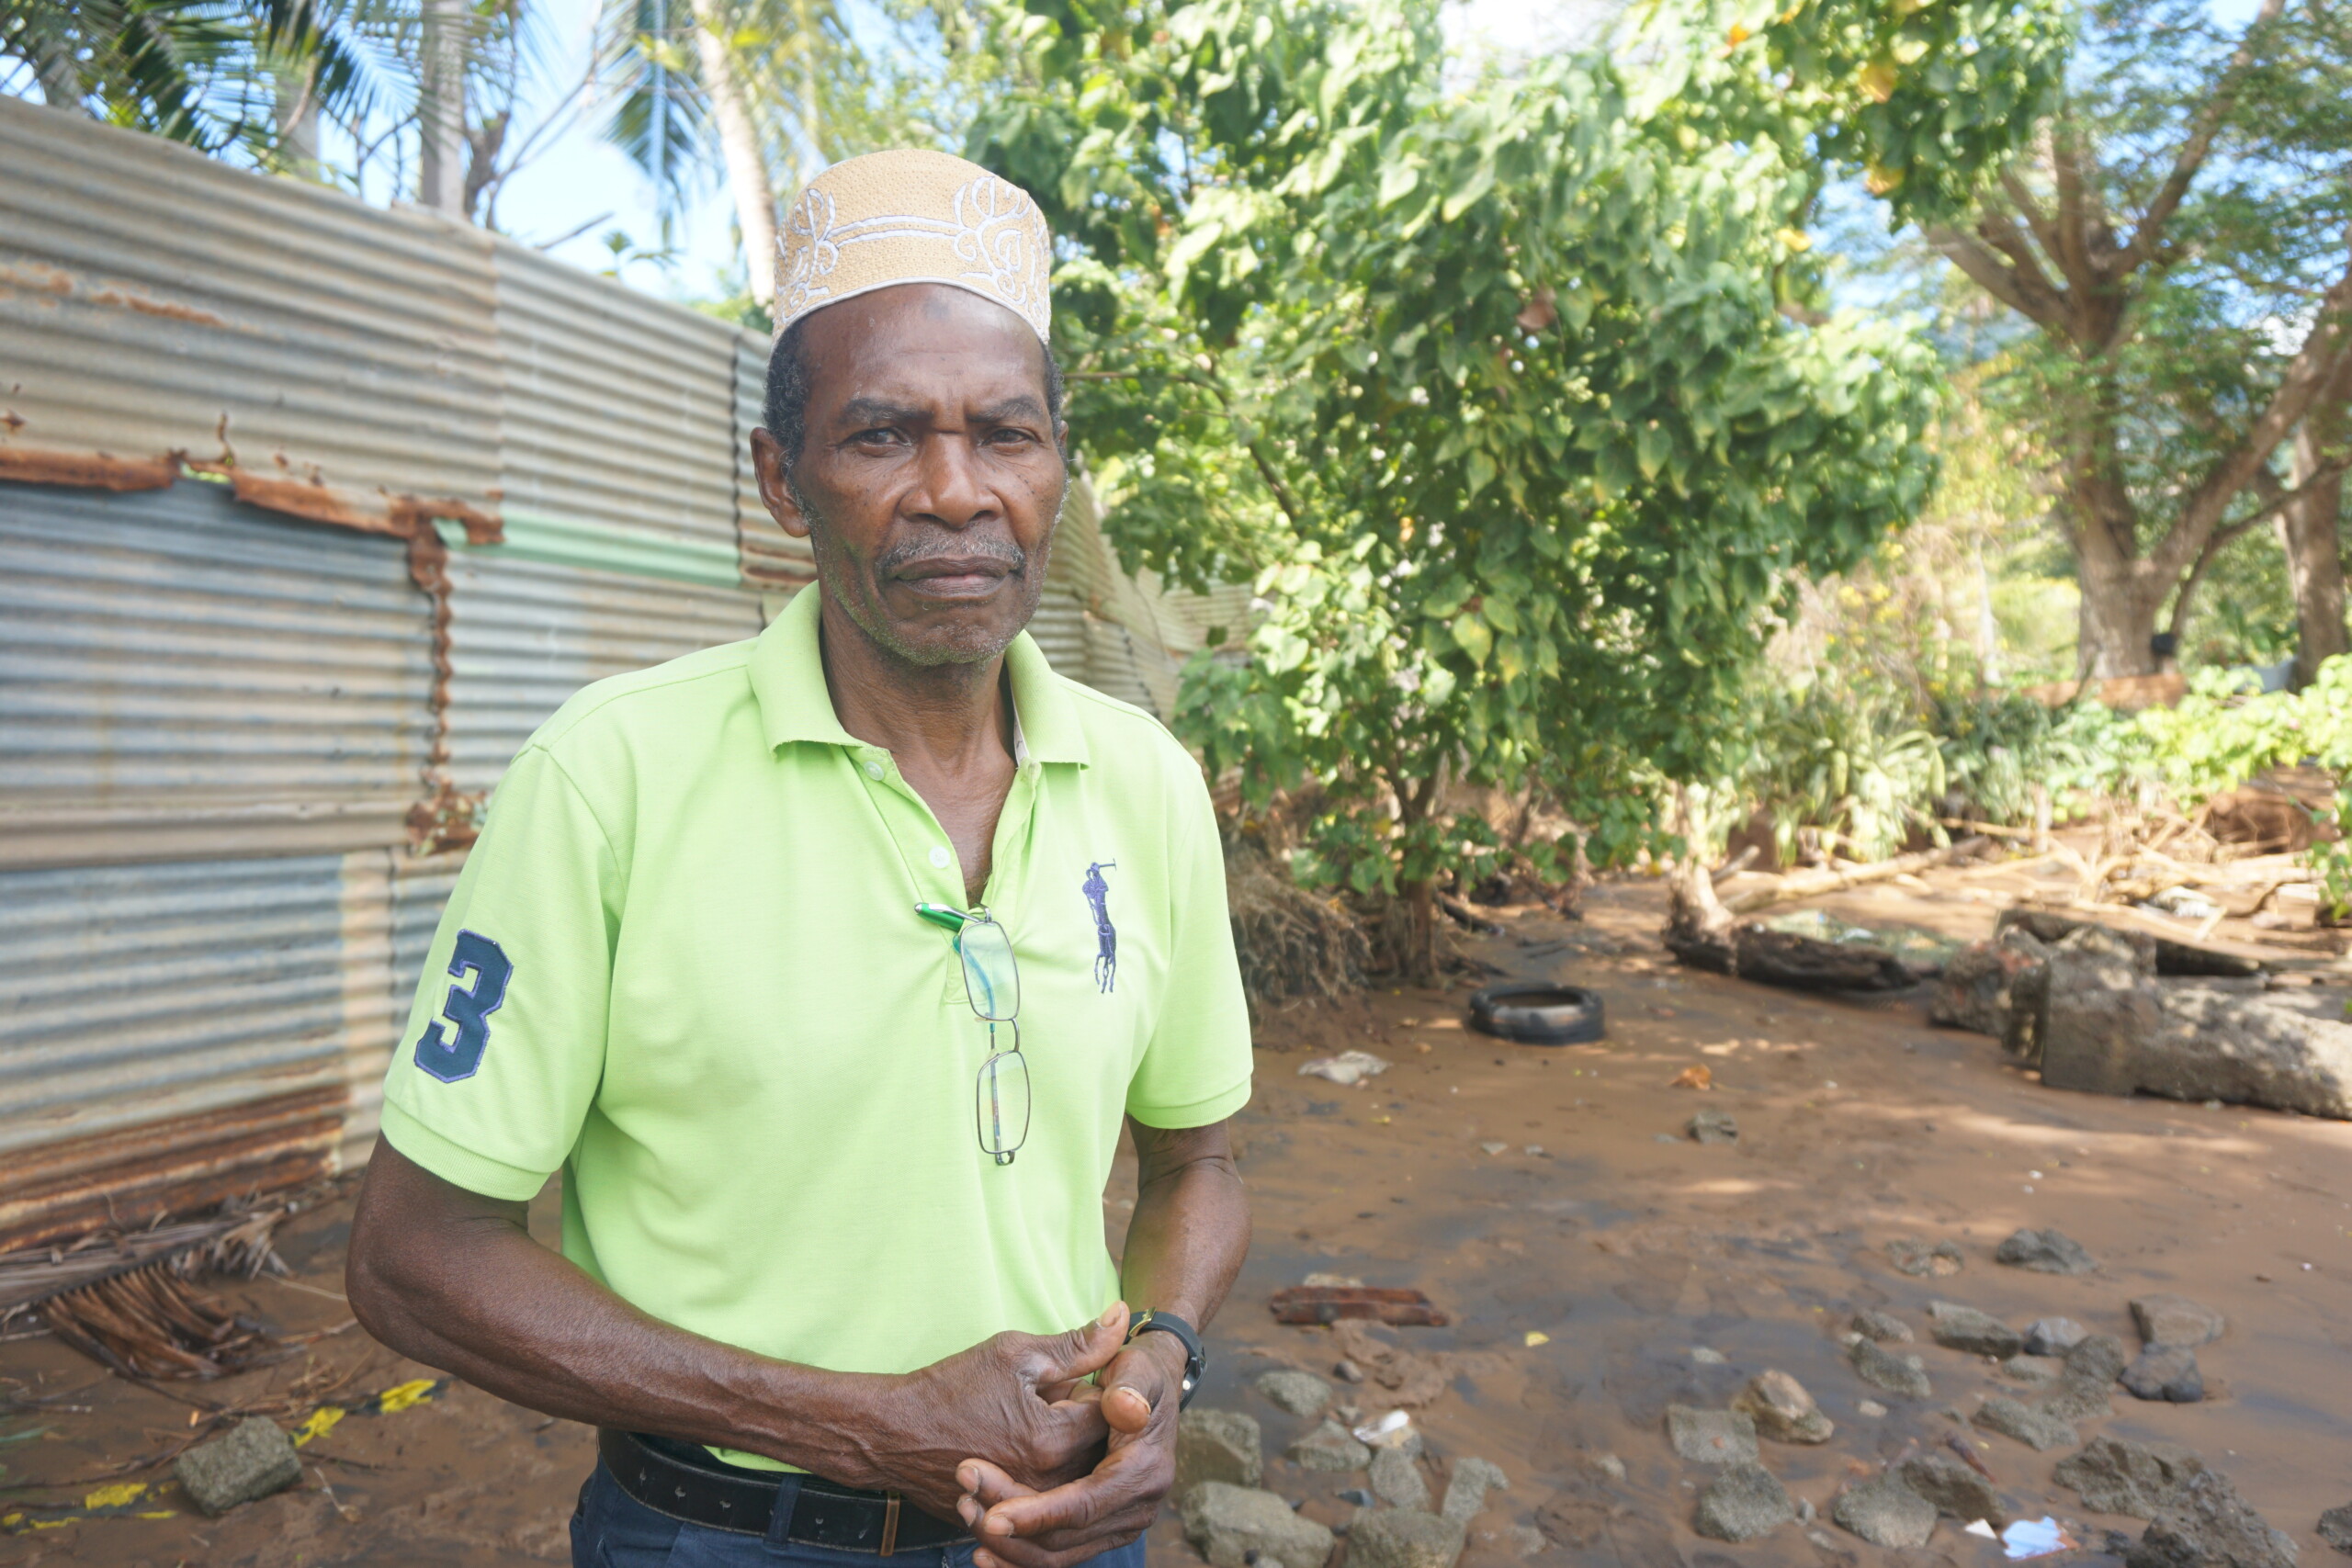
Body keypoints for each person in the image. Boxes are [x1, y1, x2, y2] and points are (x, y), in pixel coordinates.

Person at [345, 148, 1255, 1568]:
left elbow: (1198, 1163)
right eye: (884, 436)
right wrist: (848, 1421)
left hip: (1064, 1534)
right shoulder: (610, 779)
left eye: (1006, 435)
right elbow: (413, 1256)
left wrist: (1163, 1359)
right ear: (783, 480)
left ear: (1058, 473)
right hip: (719, 1534)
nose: (956, 491)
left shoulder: (1147, 784)